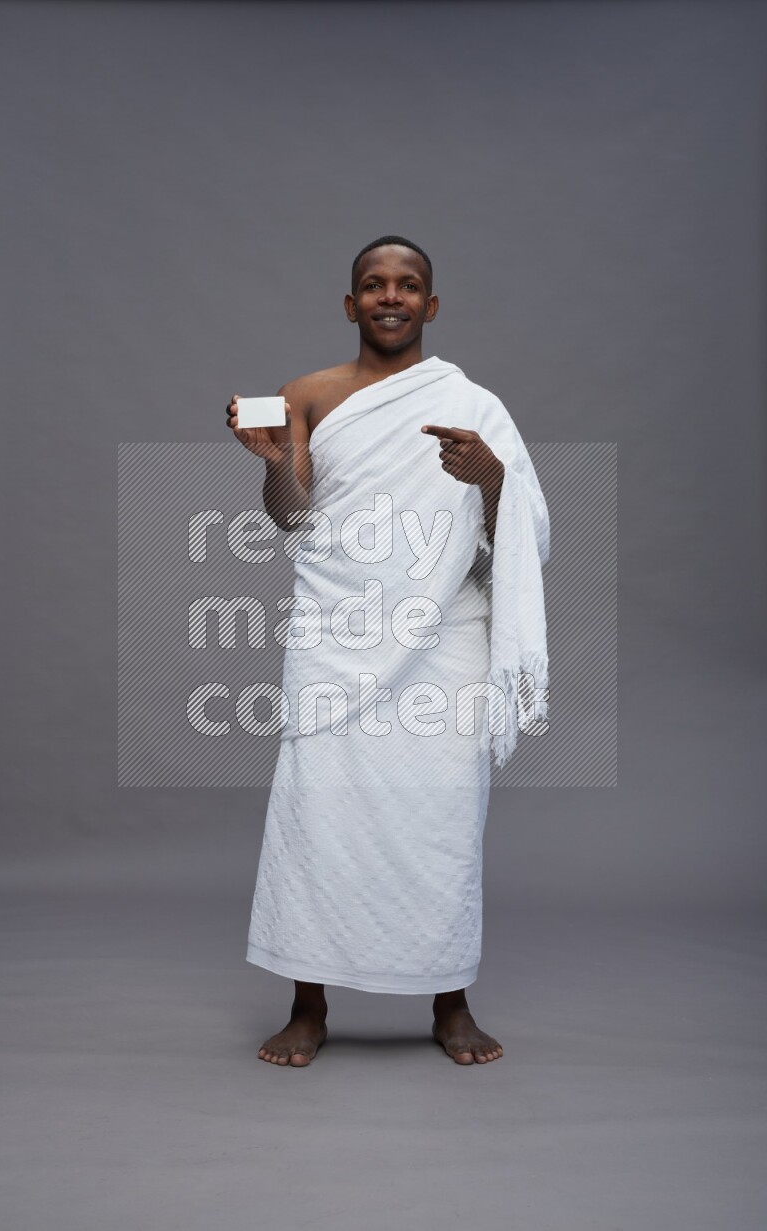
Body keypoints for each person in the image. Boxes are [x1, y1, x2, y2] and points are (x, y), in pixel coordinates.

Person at [225, 235, 549, 1067]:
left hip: (444, 642)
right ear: (351, 303)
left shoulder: (473, 403)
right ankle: (308, 1004)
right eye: (374, 284)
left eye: (409, 285)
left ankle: (449, 1001)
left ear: (431, 306)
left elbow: (527, 532)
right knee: (318, 816)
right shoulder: (307, 394)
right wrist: (270, 462)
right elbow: (294, 518)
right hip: (337, 634)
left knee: (440, 817)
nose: (391, 296)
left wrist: (489, 476)